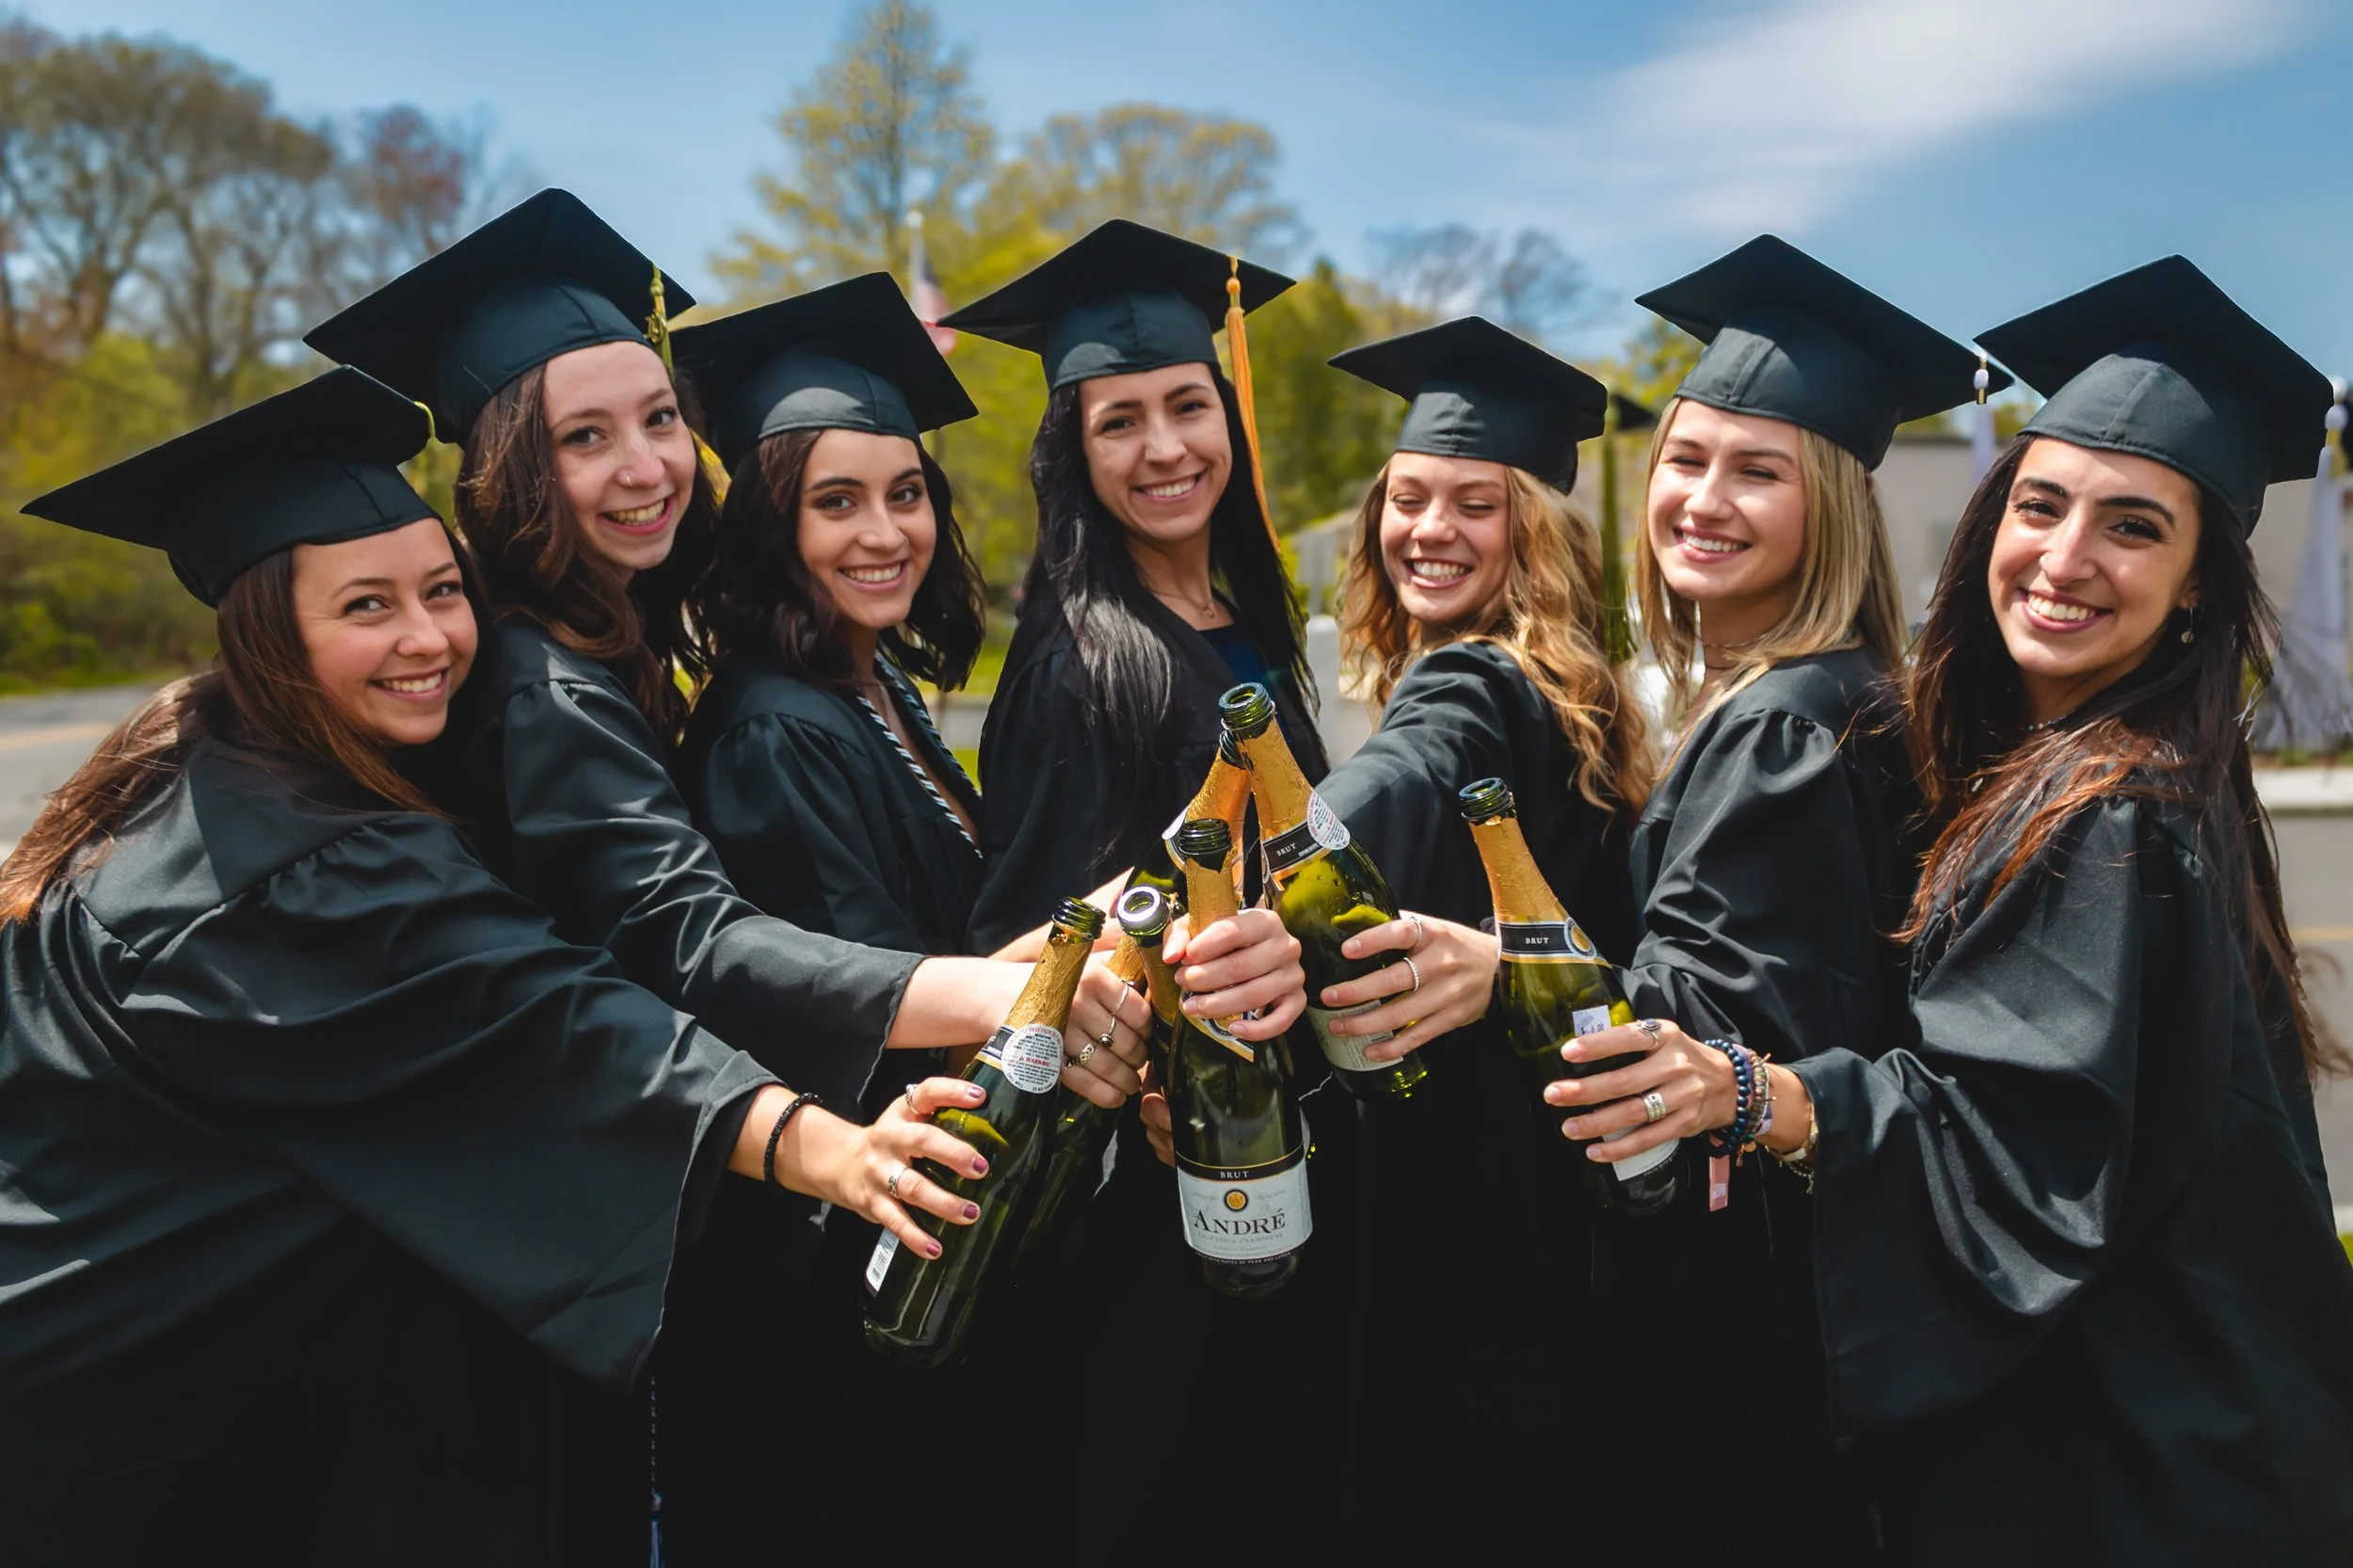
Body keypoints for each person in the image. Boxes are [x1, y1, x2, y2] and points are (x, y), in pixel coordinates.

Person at [0, 370, 989, 1564]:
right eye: (367, 606)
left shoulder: (217, 767)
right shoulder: (289, 861)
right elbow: (555, 1009)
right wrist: (837, 1147)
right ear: (273, 631)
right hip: (134, 1400)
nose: (428, 639)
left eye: (441, 591)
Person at [1561, 257, 2353, 1564]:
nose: (2066, 556)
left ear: (2202, 581)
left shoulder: (2109, 816)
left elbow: (2010, 1142)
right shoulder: (2102, 772)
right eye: (2039, 504)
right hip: (2179, 1414)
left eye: (2135, 525)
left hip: (2134, 1453)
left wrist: (1762, 1093)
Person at [660, 273, 1308, 1559]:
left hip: (936, 1245)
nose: (883, 532)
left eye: (906, 494)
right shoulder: (773, 725)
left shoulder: (871, 690)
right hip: (861, 1262)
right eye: (834, 502)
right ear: (767, 526)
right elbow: (841, 999)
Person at [1599, 235, 2000, 1562]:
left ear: (1828, 501)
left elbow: (1696, 1025)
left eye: (1757, 470)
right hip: (1827, 1288)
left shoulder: (1782, 723)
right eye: (1686, 458)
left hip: (1743, 1293)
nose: (1703, 497)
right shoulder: (1851, 696)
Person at [941, 220, 1337, 1562]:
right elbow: (1037, 950)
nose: (1167, 447)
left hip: (1271, 1159)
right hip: (1161, 1201)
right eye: (1122, 421)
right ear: (1076, 454)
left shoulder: (1246, 622)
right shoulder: (1082, 668)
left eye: (1188, 405)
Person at [1273, 316, 1659, 1546]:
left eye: (1474, 504)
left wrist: (1249, 857)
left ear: (1534, 531)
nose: (1427, 528)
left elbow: (1392, 784)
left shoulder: (1473, 680)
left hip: (1468, 1210)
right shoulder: (1573, 684)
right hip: (1556, 1194)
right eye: (1408, 497)